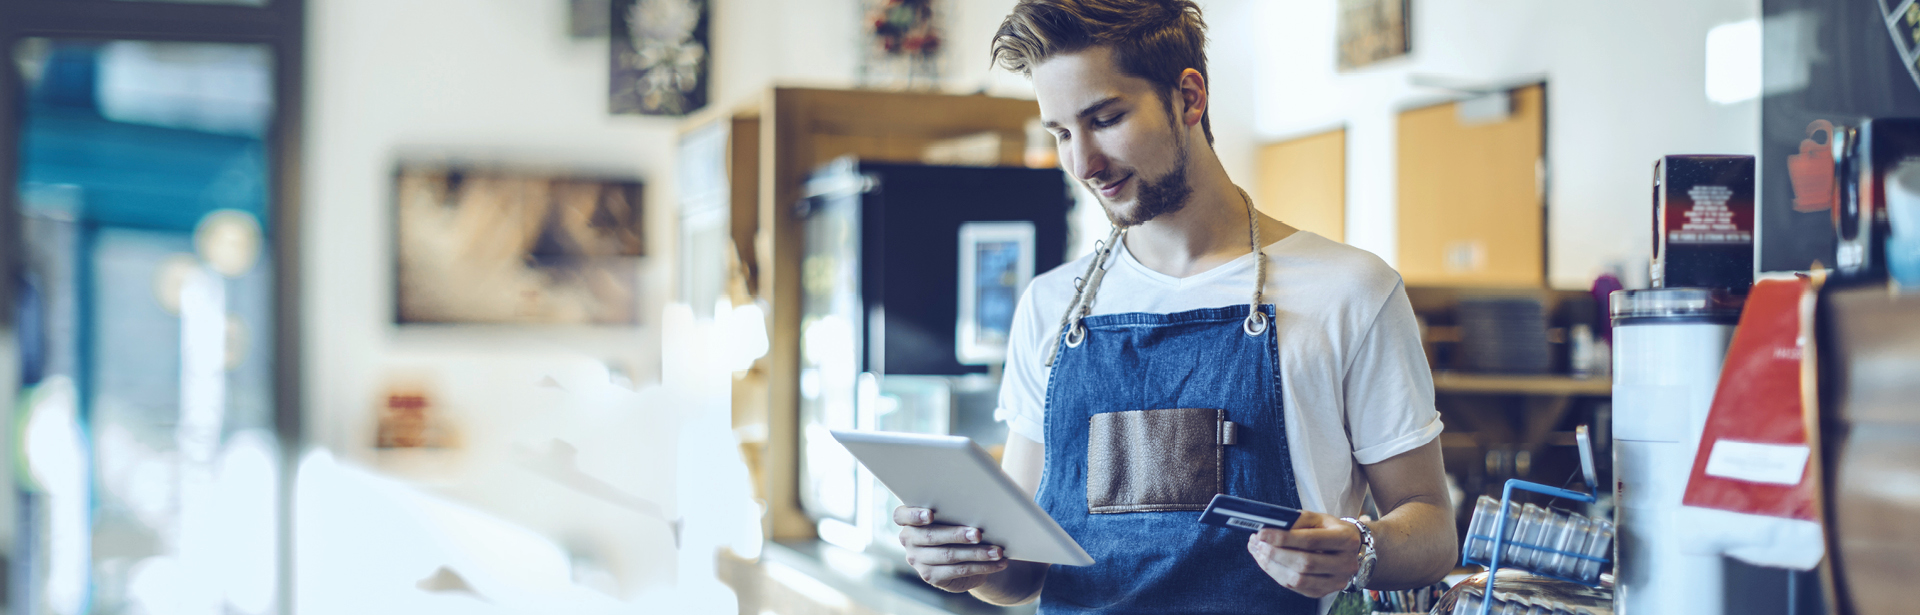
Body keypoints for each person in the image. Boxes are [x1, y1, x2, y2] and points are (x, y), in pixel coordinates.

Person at [892, 0, 1458, 612]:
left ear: (1189, 97)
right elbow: (1021, 576)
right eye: (1060, 133)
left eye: (1104, 118)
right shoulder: (1051, 305)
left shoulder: (1350, 290)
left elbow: (1431, 532)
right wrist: (966, 563)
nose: (1083, 163)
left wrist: (1362, 547)